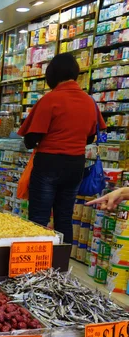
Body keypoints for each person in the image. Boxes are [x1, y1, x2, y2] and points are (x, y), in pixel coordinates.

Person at [18, 52, 106, 244]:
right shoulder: (90, 102)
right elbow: (91, 136)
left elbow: (31, 139)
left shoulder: (50, 100)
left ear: (52, 75)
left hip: (48, 163)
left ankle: (35, 267)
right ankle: (61, 267)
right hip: (75, 165)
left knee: (39, 219)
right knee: (64, 218)